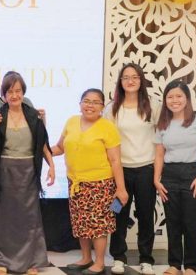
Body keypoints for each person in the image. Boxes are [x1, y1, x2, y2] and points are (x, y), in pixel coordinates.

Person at [0, 72, 55, 275]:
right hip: (3, 172)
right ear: (3, 95)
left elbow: (43, 145)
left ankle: (30, 260)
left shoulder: (33, 116)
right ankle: (0, 259)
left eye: (18, 91)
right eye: (10, 91)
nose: (14, 95)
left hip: (28, 172)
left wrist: (52, 166)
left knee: (28, 217)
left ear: (23, 92)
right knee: (2, 217)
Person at [51, 88, 128, 275]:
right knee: (80, 223)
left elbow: (116, 160)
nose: (90, 105)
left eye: (95, 102)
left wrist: (121, 188)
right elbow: (60, 147)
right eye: (86, 101)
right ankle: (86, 258)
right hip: (75, 183)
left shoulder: (108, 127)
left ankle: (100, 262)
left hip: (100, 184)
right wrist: (41, 151)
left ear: (102, 107)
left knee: (99, 225)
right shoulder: (71, 122)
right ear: (80, 104)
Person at [104, 63, 160, 275]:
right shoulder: (112, 109)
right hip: (120, 171)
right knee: (118, 213)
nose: (130, 81)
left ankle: (147, 259)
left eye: (135, 77)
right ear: (120, 81)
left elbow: (161, 136)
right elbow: (108, 141)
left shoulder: (152, 105)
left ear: (141, 80)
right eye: (126, 77)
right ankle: (118, 257)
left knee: (146, 215)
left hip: (146, 168)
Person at [153, 81, 196, 275]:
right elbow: (159, 155)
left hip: (194, 174)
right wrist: (156, 180)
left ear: (187, 98)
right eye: (170, 96)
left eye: (179, 96)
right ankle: (175, 265)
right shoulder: (162, 123)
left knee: (192, 224)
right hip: (169, 176)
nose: (174, 100)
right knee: (173, 223)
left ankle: (192, 267)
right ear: (165, 100)